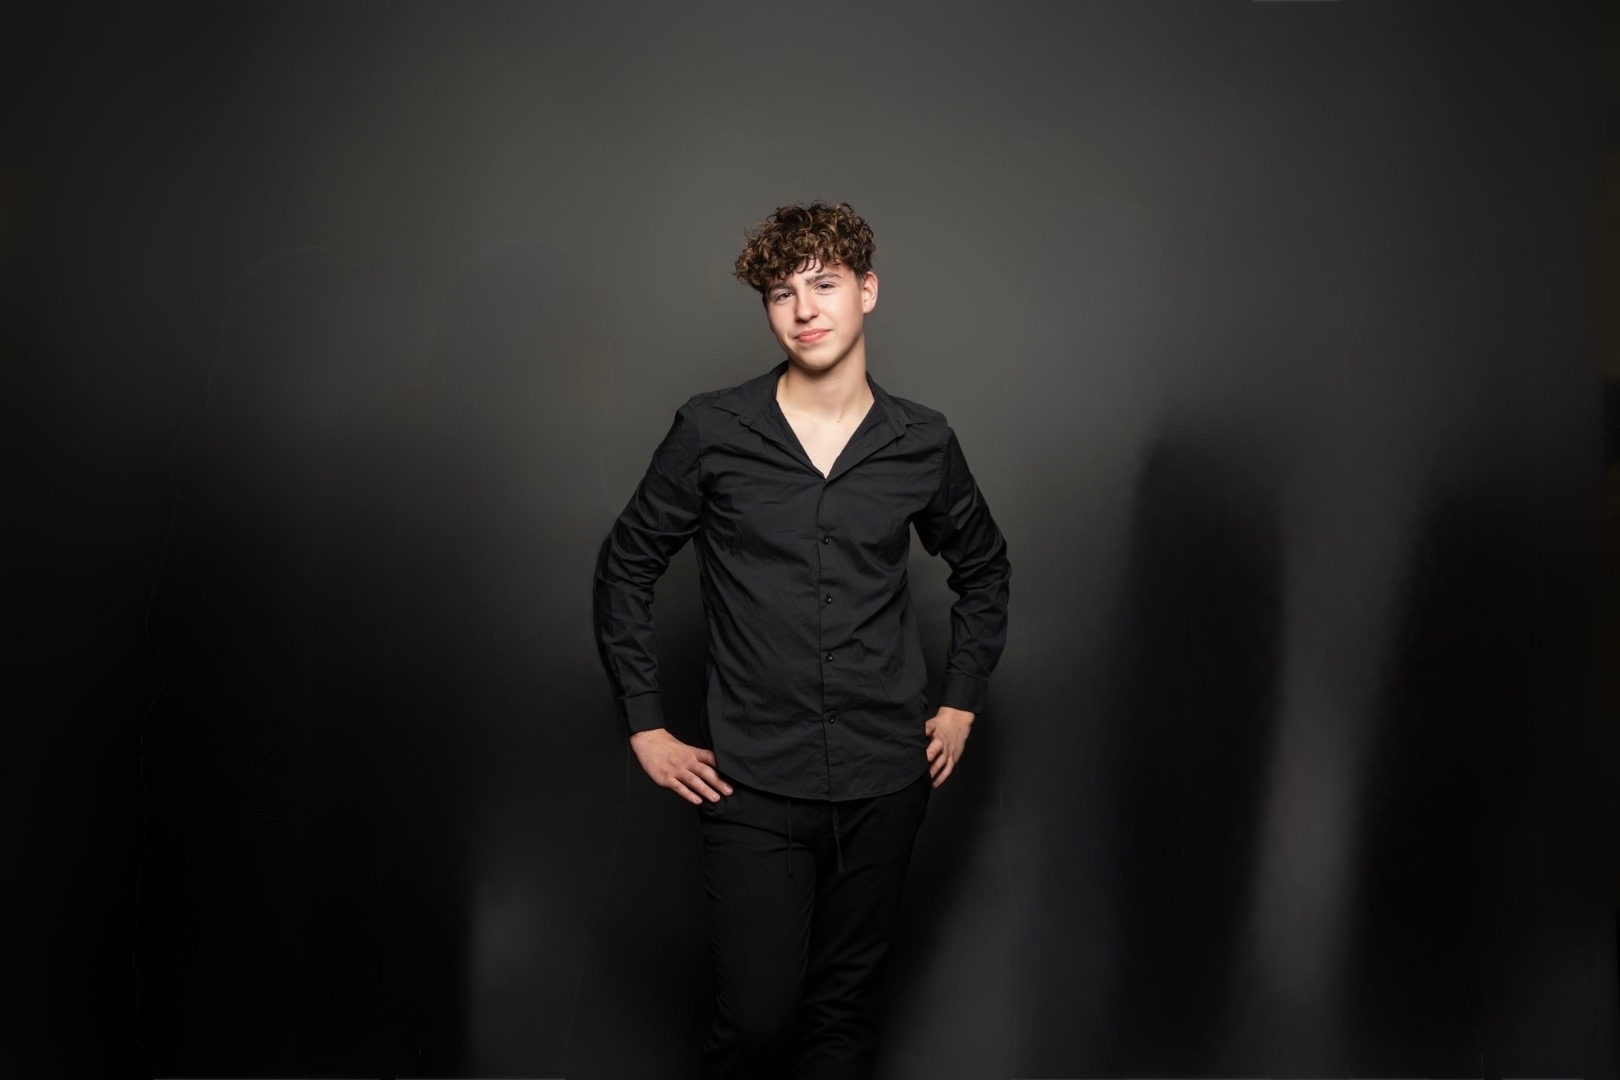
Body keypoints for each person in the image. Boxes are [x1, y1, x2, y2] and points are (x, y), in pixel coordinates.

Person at [592, 200, 1012, 1079]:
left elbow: (984, 566)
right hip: (753, 781)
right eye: (782, 293)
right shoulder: (712, 430)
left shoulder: (922, 441)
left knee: (843, 1019)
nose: (804, 309)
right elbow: (626, 565)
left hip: (884, 777)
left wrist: (961, 702)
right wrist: (645, 723)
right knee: (757, 1022)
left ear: (868, 291)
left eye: (823, 285)